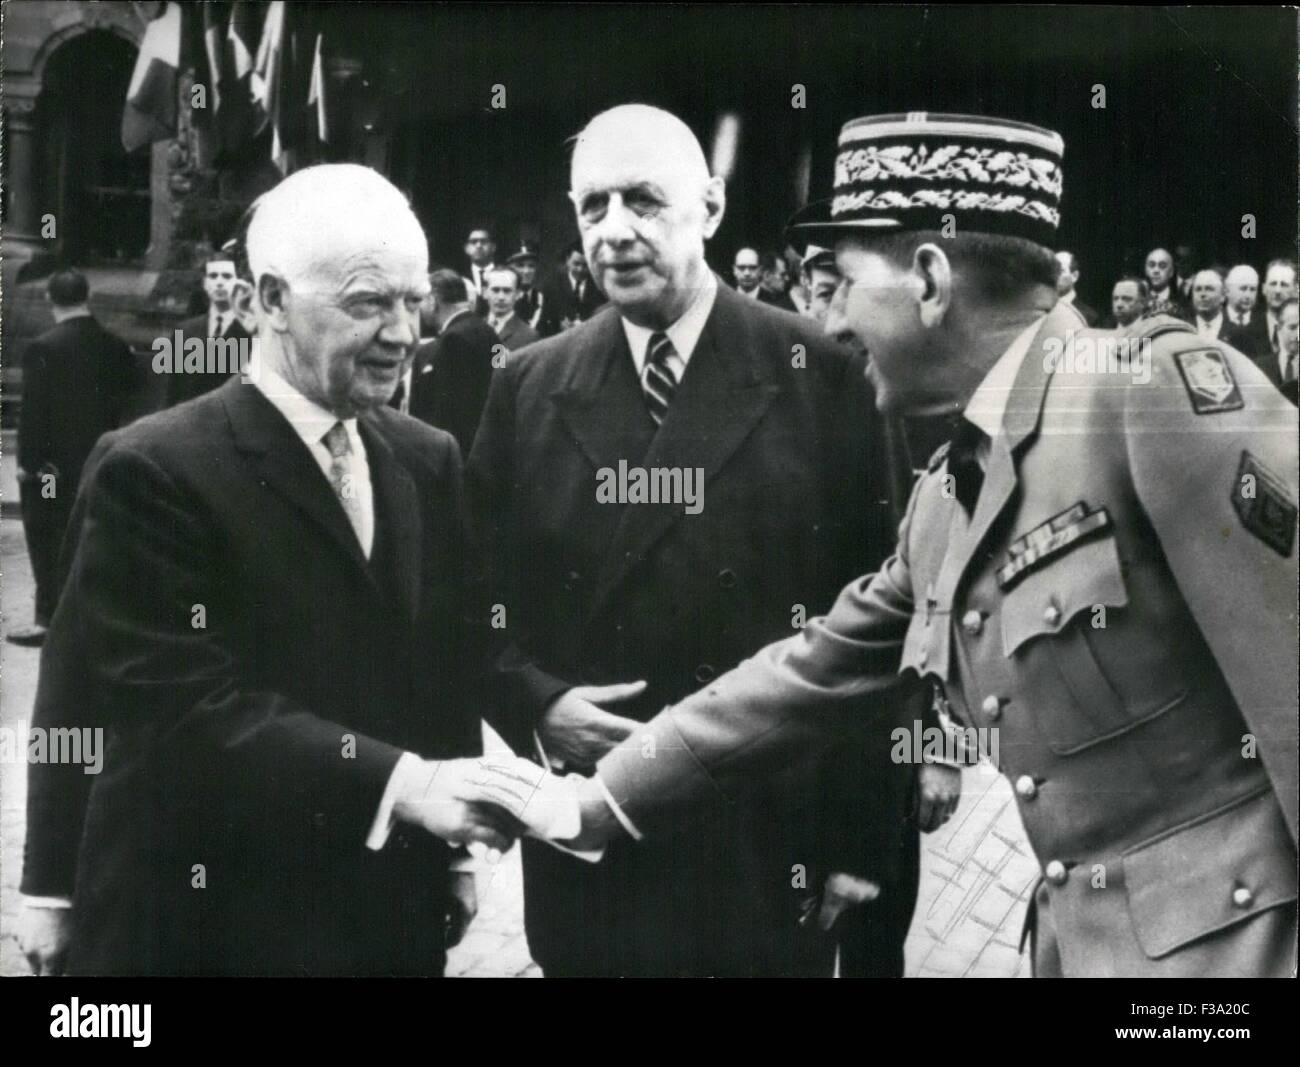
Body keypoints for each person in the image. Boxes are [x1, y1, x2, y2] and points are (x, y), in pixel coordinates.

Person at [556, 111, 1298, 979]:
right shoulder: (948, 495)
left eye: (841, 280)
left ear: (931, 281)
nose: (827, 320)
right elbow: (812, 671)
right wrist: (604, 795)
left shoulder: (1147, 395)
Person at [466, 103, 951, 977]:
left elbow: (889, 621)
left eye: (645, 201)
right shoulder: (530, 386)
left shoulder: (822, 375)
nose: (614, 231)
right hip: (595, 839)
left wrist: (859, 844)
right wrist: (536, 702)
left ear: (713, 209)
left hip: (768, 845)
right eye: (593, 206)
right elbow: (470, 593)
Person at [17, 164, 534, 977]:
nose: (402, 332)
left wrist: (457, 856)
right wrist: (50, 887)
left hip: (380, 909)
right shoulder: (150, 468)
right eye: (367, 303)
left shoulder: (427, 458)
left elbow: (439, 667)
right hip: (204, 916)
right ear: (268, 300)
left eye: (412, 300)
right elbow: (172, 701)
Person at [10, 270, 141, 647]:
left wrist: (27, 464)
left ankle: (48, 619)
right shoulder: (115, 346)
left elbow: (33, 414)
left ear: (51, 300)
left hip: (50, 470)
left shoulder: (42, 347)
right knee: (91, 534)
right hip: (100, 459)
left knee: (45, 533)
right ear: (87, 297)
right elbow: (127, 398)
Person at [403, 268, 502, 453]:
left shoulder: (452, 340)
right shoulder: (489, 332)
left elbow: (448, 413)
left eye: (420, 300)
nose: (419, 308)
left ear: (432, 301)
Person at [163, 256, 256, 408]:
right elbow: (174, 391)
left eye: (227, 276)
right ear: (205, 284)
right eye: (213, 276)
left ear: (238, 285)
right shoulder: (185, 331)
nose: (219, 282)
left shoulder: (251, 332)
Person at [550, 240, 607, 328]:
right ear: (567, 261)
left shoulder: (598, 285)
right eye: (576, 264)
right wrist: (558, 324)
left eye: (585, 265)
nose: (580, 269)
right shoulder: (553, 284)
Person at [483, 266, 541, 351]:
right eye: (495, 290)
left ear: (518, 294)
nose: (501, 297)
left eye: (507, 291)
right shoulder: (473, 330)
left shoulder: (529, 337)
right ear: (485, 292)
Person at [508, 244, 549, 333]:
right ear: (510, 268)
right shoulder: (503, 299)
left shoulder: (544, 299)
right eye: (520, 265)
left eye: (531, 266)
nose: (526, 271)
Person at [1053, 251, 1097, 325]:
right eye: (1052, 271)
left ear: (1074, 276)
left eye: (1060, 271)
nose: (1054, 276)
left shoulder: (1089, 317)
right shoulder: (1039, 311)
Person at [461, 226, 498, 313]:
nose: (479, 245)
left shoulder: (505, 274)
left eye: (484, 241)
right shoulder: (460, 278)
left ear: (493, 247)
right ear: (466, 249)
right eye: (473, 242)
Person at [1143, 246, 1184, 317]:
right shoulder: (1139, 301)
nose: (1156, 270)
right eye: (1151, 265)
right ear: (1146, 270)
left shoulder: (1182, 303)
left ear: (1171, 272)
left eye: (1162, 266)